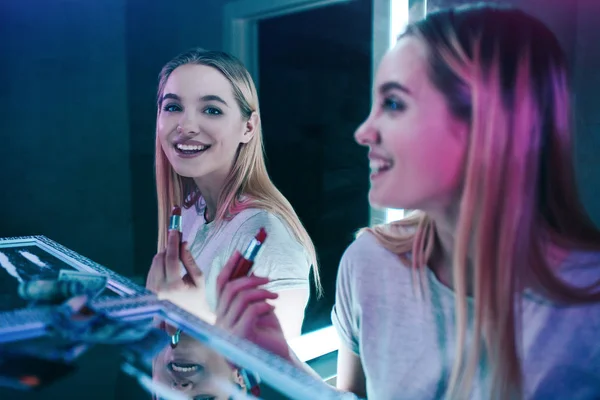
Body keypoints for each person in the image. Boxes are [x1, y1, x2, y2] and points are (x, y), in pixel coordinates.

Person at [214, 4, 600, 399]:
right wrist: (278, 357)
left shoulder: (589, 312)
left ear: (485, 121)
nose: (363, 131)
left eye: (394, 104)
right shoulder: (368, 264)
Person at [145, 48, 320, 339]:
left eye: (211, 110)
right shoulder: (190, 211)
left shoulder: (268, 236)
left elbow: (273, 378)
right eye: (173, 107)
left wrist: (193, 314)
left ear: (248, 127)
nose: (185, 126)